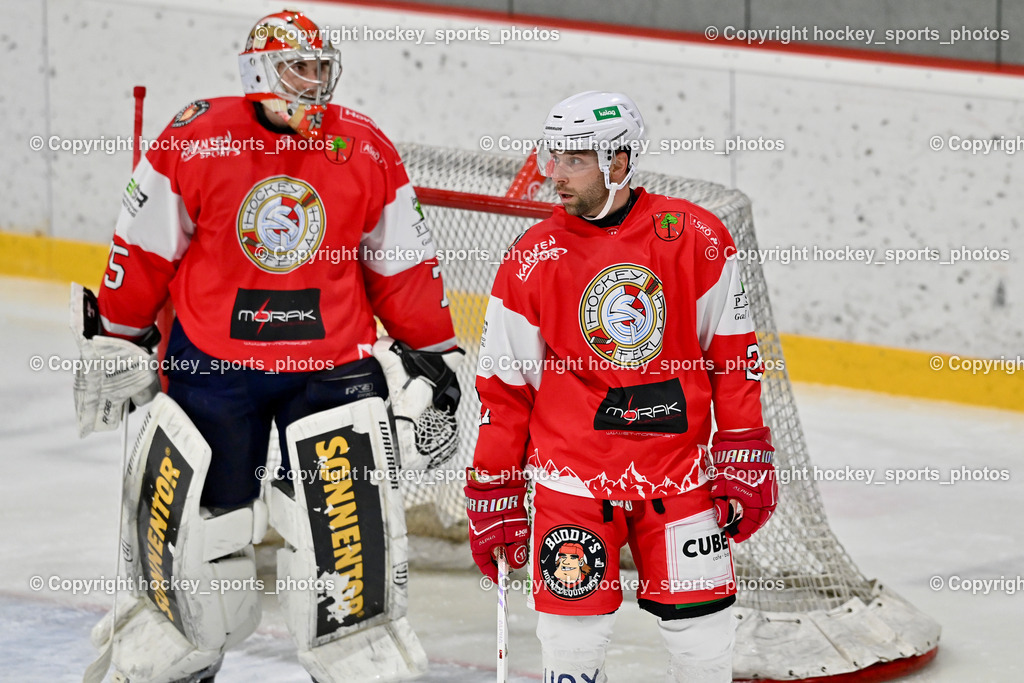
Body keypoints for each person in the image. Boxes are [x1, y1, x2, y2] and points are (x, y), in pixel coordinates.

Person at [72, 10, 462, 683]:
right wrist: (116, 332)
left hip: (332, 368)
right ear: (258, 73)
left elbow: (402, 264)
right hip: (211, 369)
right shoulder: (197, 137)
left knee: (342, 538)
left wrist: (436, 355)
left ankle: (350, 656)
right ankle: (178, 650)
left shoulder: (364, 149)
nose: (313, 82)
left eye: (320, 67)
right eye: (297, 68)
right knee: (200, 541)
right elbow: (140, 246)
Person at [464, 91, 778, 683]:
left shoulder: (695, 237)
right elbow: (504, 391)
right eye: (552, 157)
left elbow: (735, 357)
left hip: (680, 475)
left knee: (705, 643)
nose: (553, 175)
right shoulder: (532, 259)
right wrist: (494, 485)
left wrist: (743, 447)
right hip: (572, 483)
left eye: (574, 160)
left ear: (620, 162)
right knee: (572, 648)